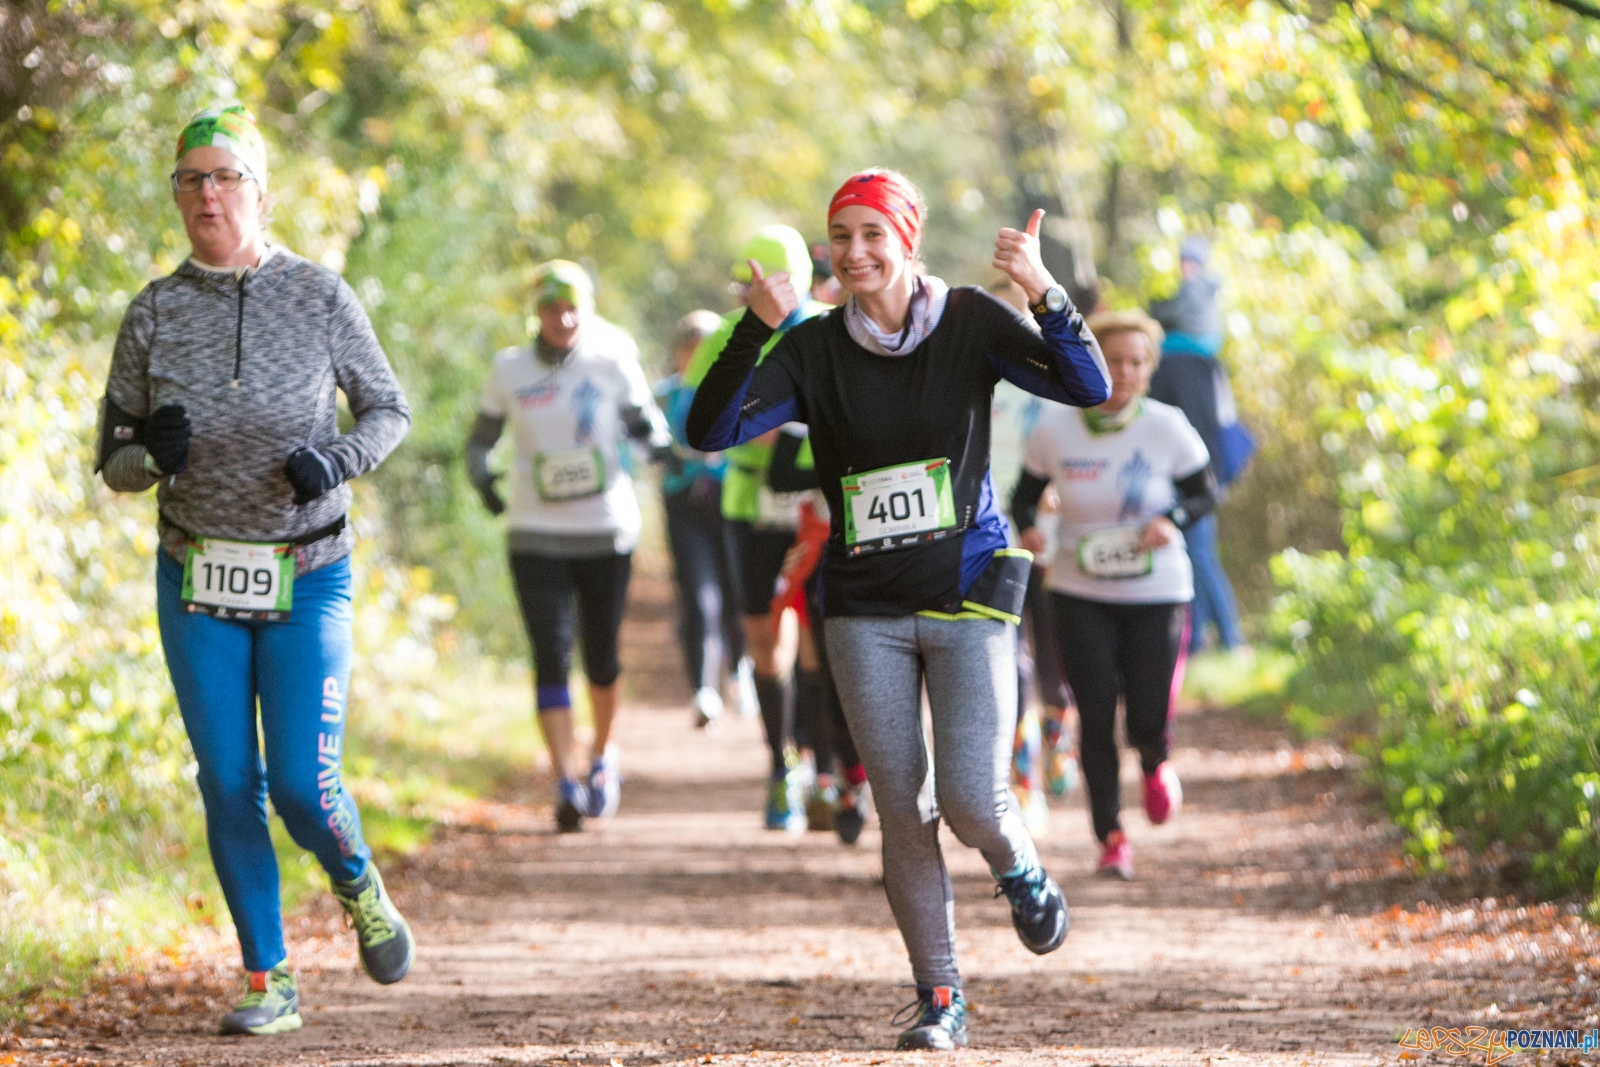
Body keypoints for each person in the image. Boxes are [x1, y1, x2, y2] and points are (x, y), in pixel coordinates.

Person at [688, 169, 1109, 1050]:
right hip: (863, 608)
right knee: (903, 808)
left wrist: (1041, 289)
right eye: (841, 238)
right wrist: (757, 327)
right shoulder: (812, 348)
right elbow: (711, 431)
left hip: (966, 590)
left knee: (971, 797)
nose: (856, 253)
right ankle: (940, 996)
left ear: (907, 240)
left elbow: (1087, 385)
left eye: (873, 234)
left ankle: (1020, 867)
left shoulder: (970, 321)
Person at [96, 105, 414, 1036]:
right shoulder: (154, 311)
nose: (208, 194)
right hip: (196, 575)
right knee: (228, 778)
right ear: (177, 196)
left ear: (261, 193)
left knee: (303, 787)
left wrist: (336, 461)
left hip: (306, 569)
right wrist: (150, 454)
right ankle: (267, 976)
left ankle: (355, 878)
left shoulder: (319, 295)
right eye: (191, 178)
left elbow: (388, 410)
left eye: (226, 176)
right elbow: (113, 461)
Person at [465, 260, 672, 832]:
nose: (565, 319)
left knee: (600, 654)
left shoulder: (612, 359)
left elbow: (646, 427)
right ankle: (564, 780)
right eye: (553, 309)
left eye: (574, 307)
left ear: (589, 308)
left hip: (605, 530)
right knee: (551, 652)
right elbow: (479, 442)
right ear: (536, 312)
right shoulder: (509, 368)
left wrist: (662, 450)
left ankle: (602, 756)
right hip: (535, 532)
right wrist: (483, 480)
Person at [1012, 309, 1218, 881]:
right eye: (1114, 360)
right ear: (1090, 361)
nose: (1124, 372)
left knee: (1146, 716)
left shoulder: (1167, 426)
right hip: (1078, 591)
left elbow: (1205, 493)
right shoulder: (1055, 428)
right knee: (1096, 713)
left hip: (1157, 591)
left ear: (1149, 369)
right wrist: (1029, 527)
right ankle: (1111, 836)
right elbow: (1023, 496)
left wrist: (1173, 519)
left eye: (1136, 362)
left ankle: (1154, 761)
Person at [683, 225, 832, 834]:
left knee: (821, 637)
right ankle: (781, 765)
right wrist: (745, 426)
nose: (756, 295)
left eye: (769, 284)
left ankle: (825, 768)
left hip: (818, 505)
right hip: (749, 502)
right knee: (765, 638)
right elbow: (686, 414)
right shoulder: (726, 333)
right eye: (745, 287)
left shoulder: (828, 328)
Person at [1149, 237, 1248, 653]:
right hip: (1197, 475)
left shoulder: (1180, 366)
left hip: (1193, 477)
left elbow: (1200, 428)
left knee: (1200, 556)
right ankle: (1199, 641)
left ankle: (1231, 639)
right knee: (1193, 555)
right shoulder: (1206, 366)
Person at [655, 310, 749, 728]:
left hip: (731, 502)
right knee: (698, 596)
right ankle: (703, 689)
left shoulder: (739, 386)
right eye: (690, 348)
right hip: (684, 505)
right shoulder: (662, 396)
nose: (698, 356)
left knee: (736, 591)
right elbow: (642, 440)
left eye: (707, 347)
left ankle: (740, 672)